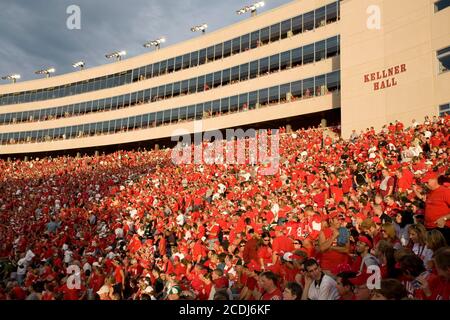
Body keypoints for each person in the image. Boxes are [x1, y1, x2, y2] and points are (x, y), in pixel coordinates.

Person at [422, 171, 450, 244]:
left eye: (427, 182)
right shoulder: (429, 193)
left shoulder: (445, 191)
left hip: (441, 229)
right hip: (429, 228)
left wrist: (444, 218)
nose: (425, 184)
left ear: (434, 180)